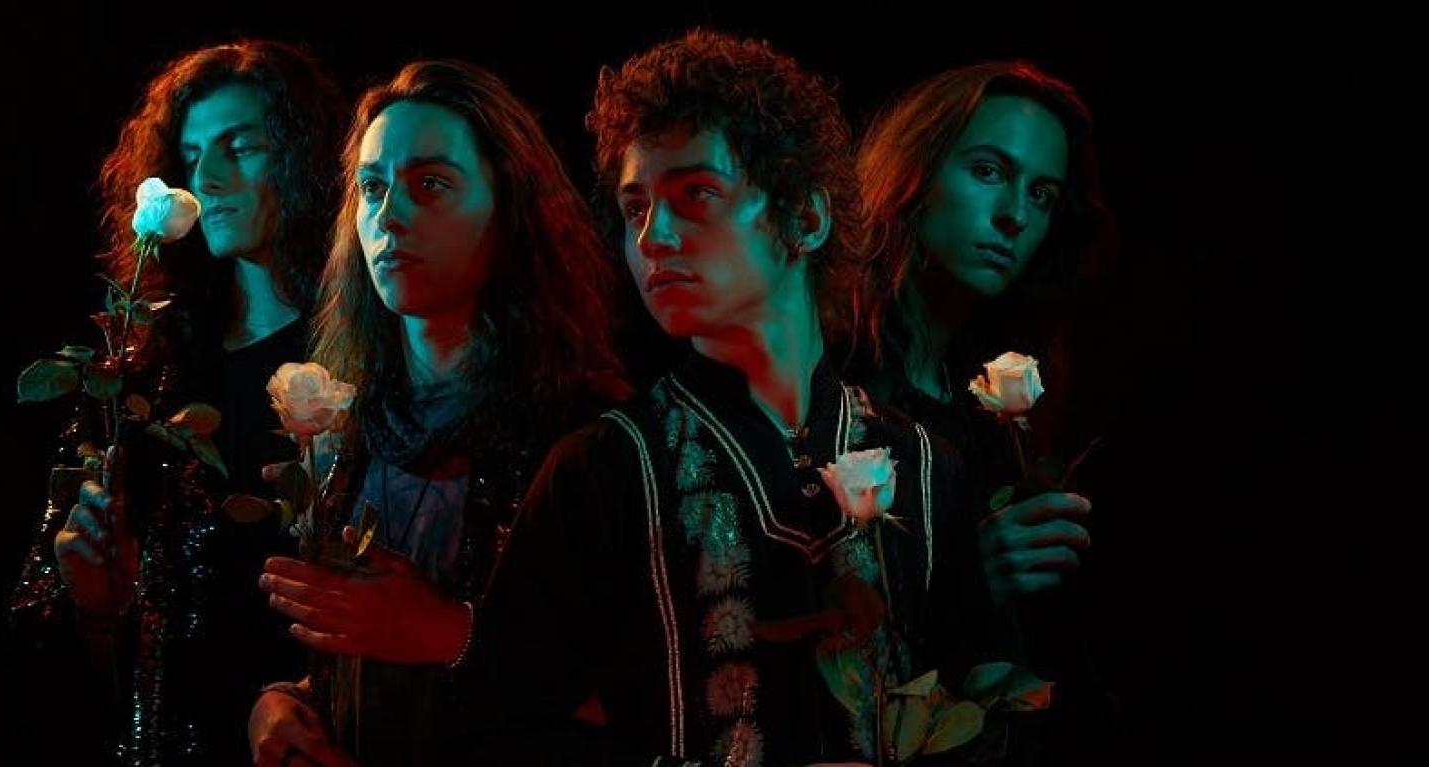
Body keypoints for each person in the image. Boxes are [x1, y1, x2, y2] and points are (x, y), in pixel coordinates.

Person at [464, 30, 994, 765]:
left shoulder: (928, 466)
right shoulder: (604, 469)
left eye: (697, 195)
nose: (654, 237)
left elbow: (993, 711)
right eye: (635, 208)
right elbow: (497, 728)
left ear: (806, 219)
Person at [247, 59, 628, 767]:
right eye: (372, 187)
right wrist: (284, 703)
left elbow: (655, 693)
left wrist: (451, 632)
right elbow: (348, 651)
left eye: (430, 184)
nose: (388, 215)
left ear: (509, 207)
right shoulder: (347, 424)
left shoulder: (590, 432)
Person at [10, 39, 346, 765]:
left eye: (240, 148)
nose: (209, 178)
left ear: (305, 160)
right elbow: (66, 651)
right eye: (193, 156)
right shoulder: (148, 377)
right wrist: (97, 605)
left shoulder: (361, 357)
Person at [855, 60, 1120, 764]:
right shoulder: (827, 374)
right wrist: (967, 579)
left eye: (1042, 194)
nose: (1015, 216)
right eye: (987, 171)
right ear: (913, 173)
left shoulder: (1001, 400)